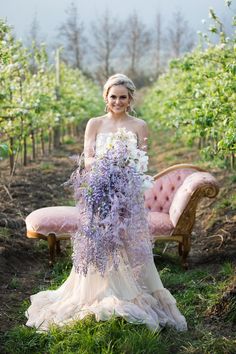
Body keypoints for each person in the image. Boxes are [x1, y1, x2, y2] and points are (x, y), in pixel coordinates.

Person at [25, 73, 187, 332]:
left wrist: (124, 166)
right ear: (106, 97)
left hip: (127, 193)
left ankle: (130, 291)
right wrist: (107, 165)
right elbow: (88, 158)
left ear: (130, 98)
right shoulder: (95, 124)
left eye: (123, 97)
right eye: (114, 96)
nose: (118, 101)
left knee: (126, 241)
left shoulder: (139, 125)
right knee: (101, 242)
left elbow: (142, 159)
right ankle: (98, 290)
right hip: (100, 191)